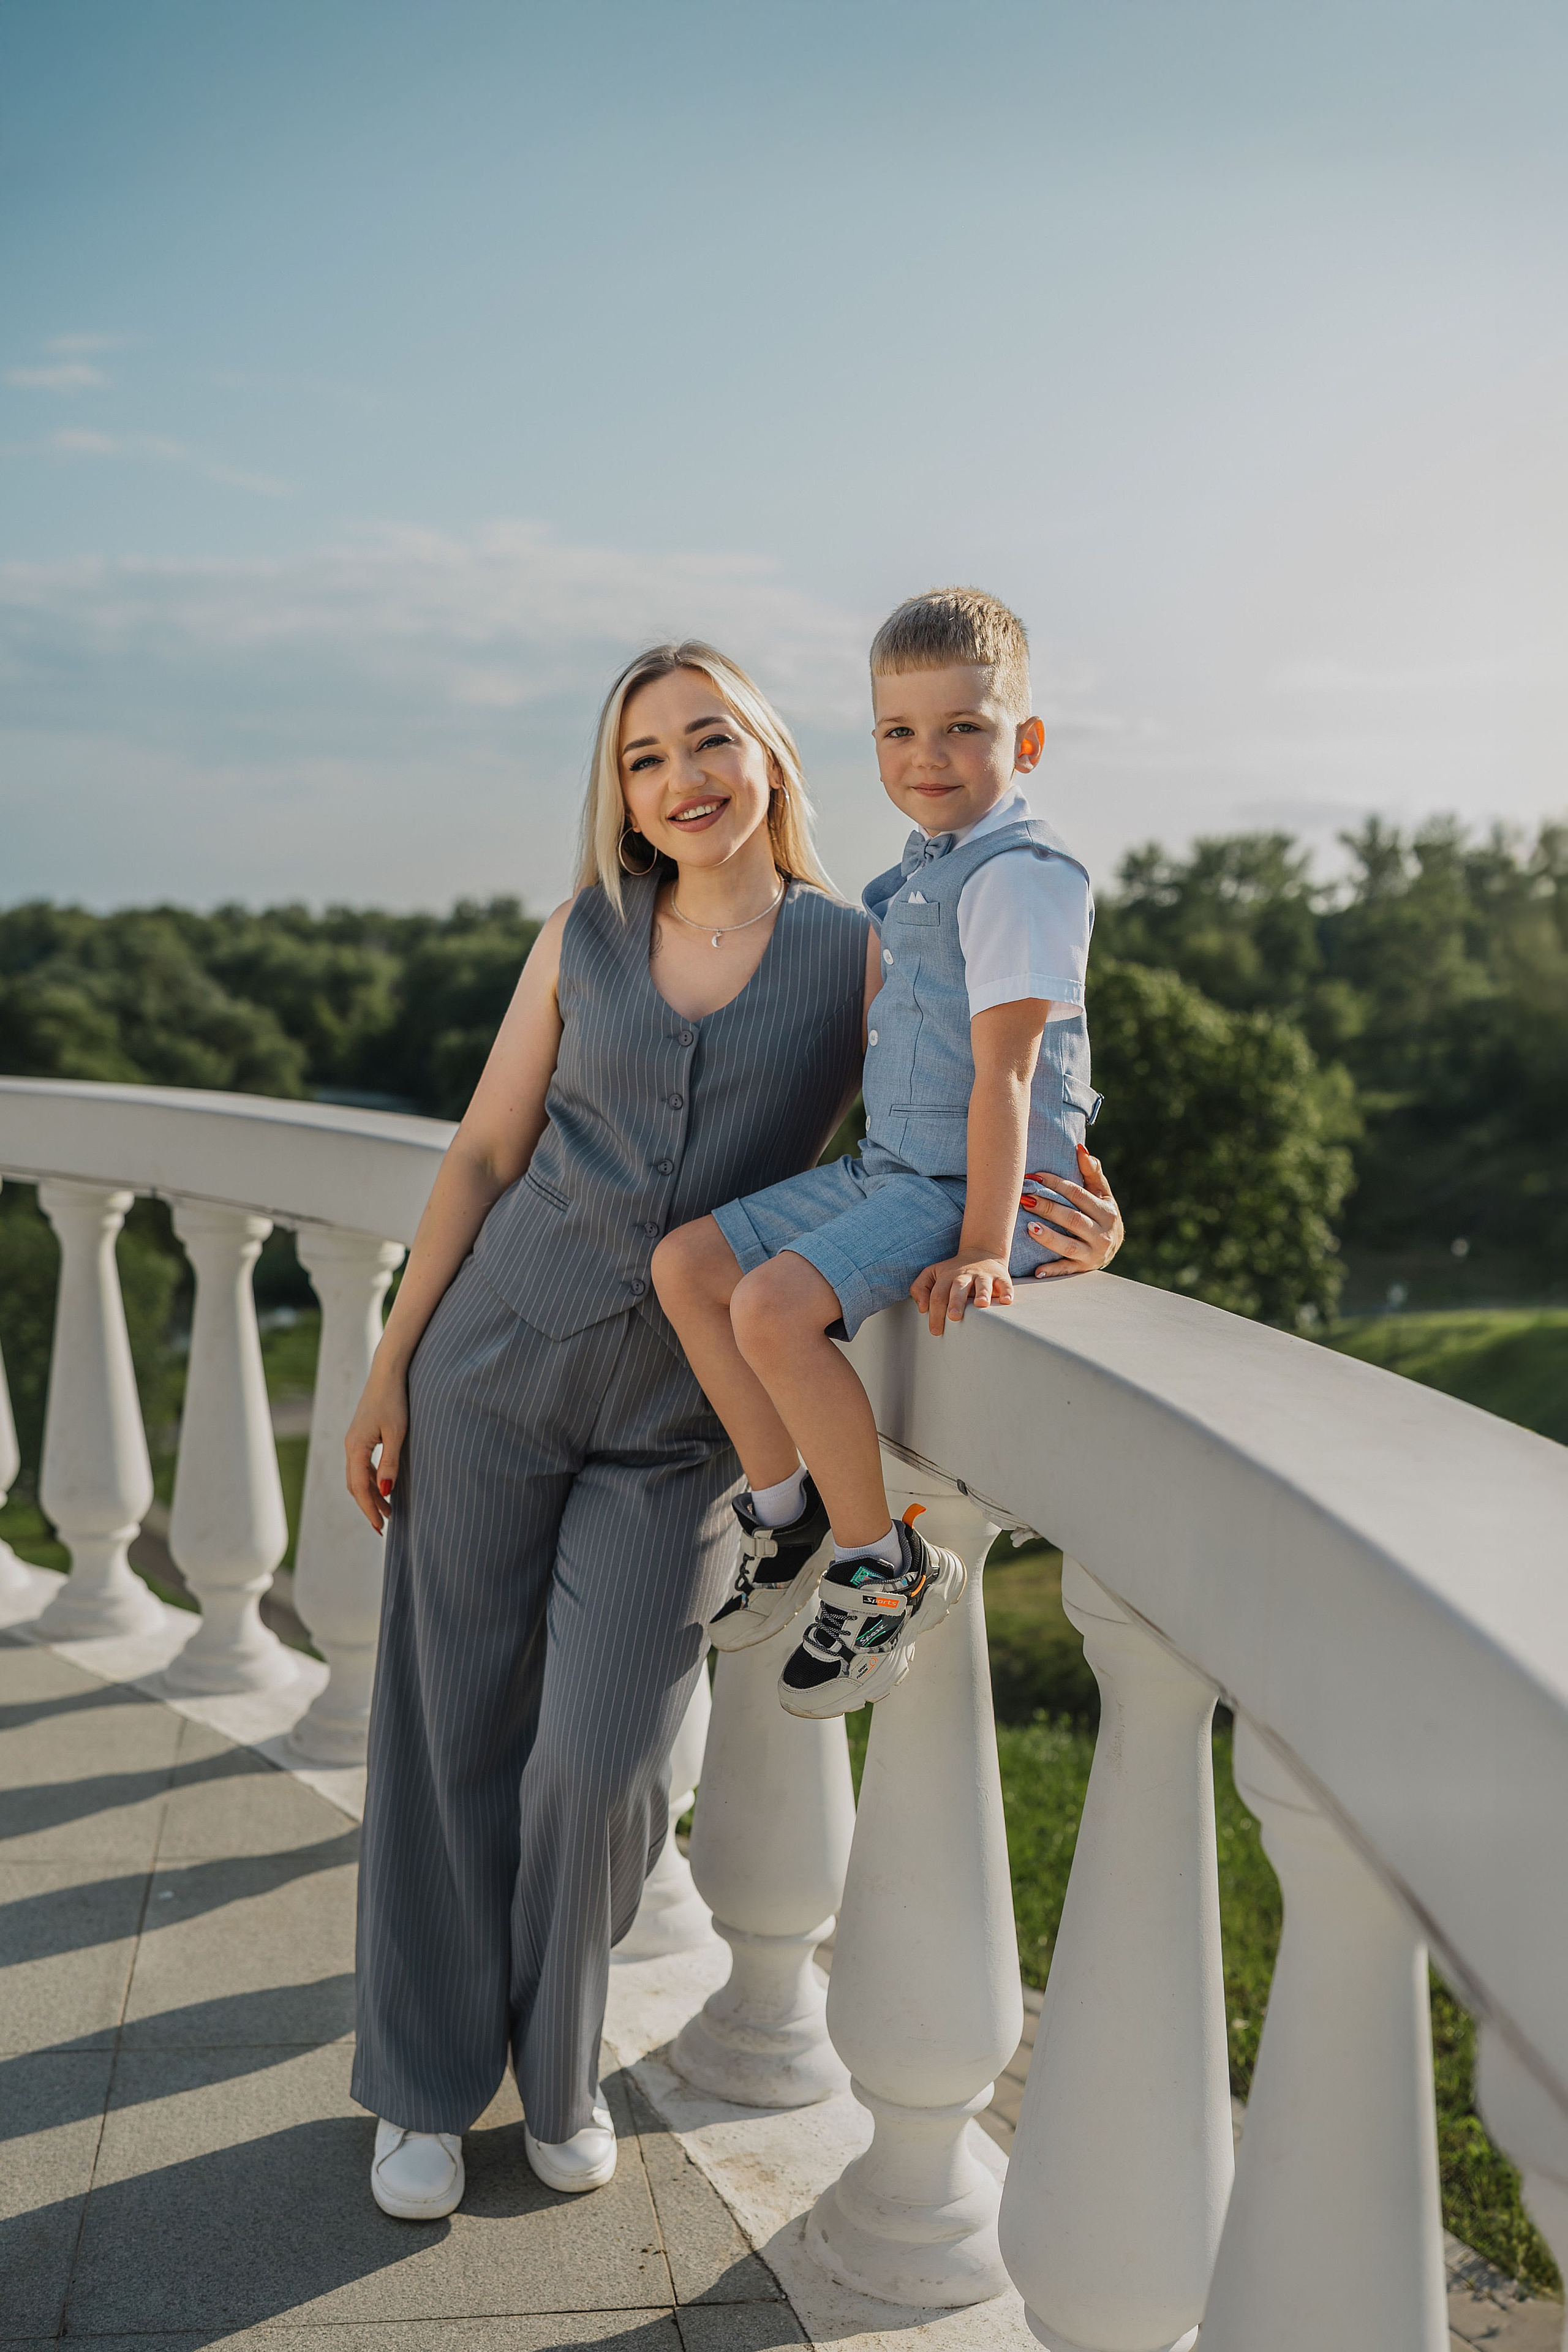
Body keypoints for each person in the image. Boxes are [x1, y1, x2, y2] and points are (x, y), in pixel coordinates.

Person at [344, 636, 1122, 2226]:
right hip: (491, 1372)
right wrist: (387, 1368)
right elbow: (486, 1155)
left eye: (710, 741)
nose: (682, 779)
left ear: (770, 758)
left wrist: (1060, 1226)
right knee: (446, 1734)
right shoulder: (585, 934)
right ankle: (422, 2086)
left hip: (683, 1430)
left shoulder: (862, 943)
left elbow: (964, 1096)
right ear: (620, 798)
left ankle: (555, 2071)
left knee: (607, 1753)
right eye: (645, 759)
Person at [654, 587, 1110, 1717]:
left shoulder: (1018, 877)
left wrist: (991, 1248)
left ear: (1028, 743)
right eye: (900, 732)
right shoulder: (922, 874)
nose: (930, 756)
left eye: (965, 727)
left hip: (958, 1187)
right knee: (688, 1266)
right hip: (893, 1169)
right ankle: (786, 1511)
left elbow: (1009, 1078)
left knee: (768, 1309)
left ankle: (879, 1565)